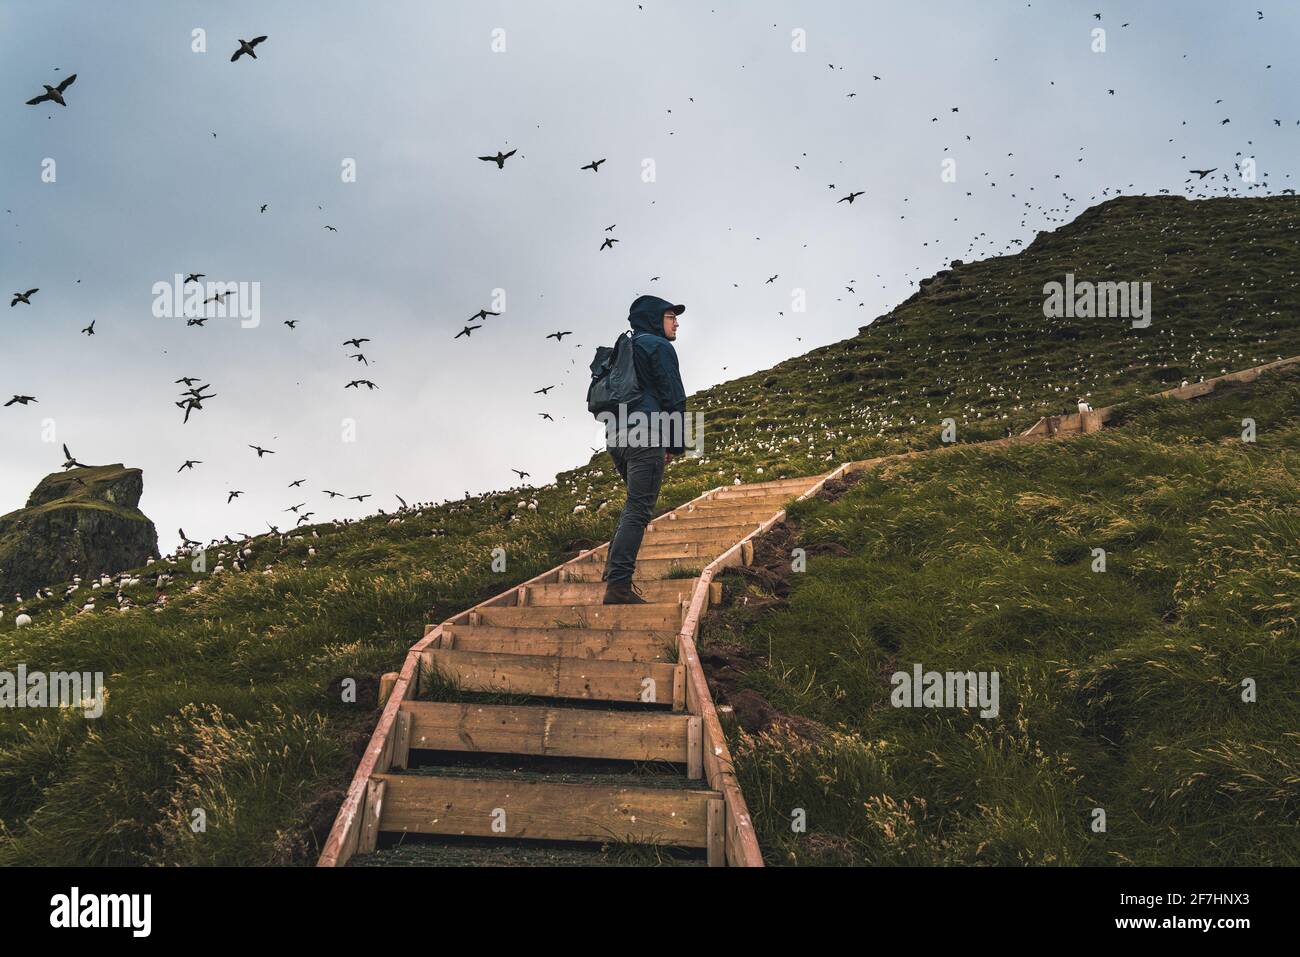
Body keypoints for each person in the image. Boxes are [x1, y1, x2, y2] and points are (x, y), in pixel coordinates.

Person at [602, 295, 687, 604]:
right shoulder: (659, 346)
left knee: (633, 506)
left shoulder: (624, 346)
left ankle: (613, 575)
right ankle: (618, 586)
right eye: (670, 316)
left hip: (615, 435)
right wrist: (676, 445)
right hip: (646, 432)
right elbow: (674, 397)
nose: (676, 322)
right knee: (639, 510)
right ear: (653, 319)